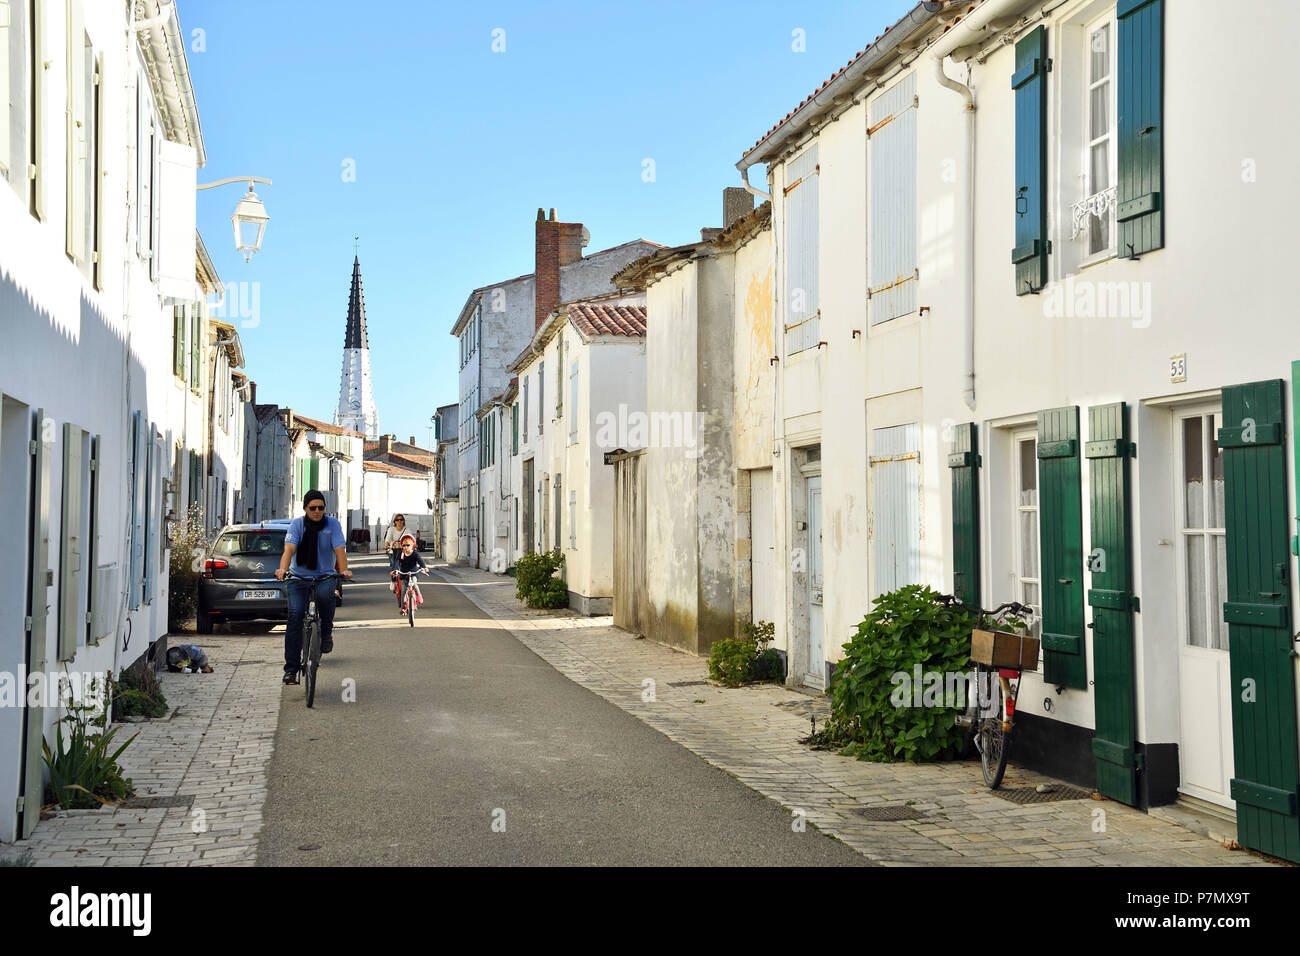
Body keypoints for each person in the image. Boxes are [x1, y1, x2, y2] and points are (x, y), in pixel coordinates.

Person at [274, 490, 352, 684]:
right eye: (313, 508)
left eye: (321, 508)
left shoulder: (332, 524)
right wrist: (282, 569)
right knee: (295, 616)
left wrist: (344, 570)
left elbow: (340, 549)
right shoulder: (297, 525)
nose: (317, 511)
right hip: (299, 578)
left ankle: (325, 633)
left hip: (325, 575)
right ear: (305, 509)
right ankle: (291, 669)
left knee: (327, 598)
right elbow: (289, 550)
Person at [390, 533, 428, 612]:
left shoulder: (415, 553)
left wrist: (424, 567)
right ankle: (403, 608)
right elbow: (396, 562)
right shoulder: (401, 554)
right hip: (404, 573)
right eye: (404, 545)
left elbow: (420, 561)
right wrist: (394, 570)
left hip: (413, 572)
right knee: (404, 590)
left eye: (408, 545)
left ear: (412, 545)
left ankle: (418, 595)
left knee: (414, 583)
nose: (406, 547)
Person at [383, 513, 409, 588]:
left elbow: (410, 538)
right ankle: (393, 581)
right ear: (395, 522)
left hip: (403, 551)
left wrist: (413, 544)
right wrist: (386, 545)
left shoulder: (407, 530)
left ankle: (407, 582)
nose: (399, 521)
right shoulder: (391, 529)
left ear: (403, 521)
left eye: (401, 520)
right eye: (397, 520)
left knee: (406, 566)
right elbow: (388, 539)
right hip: (393, 551)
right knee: (394, 566)